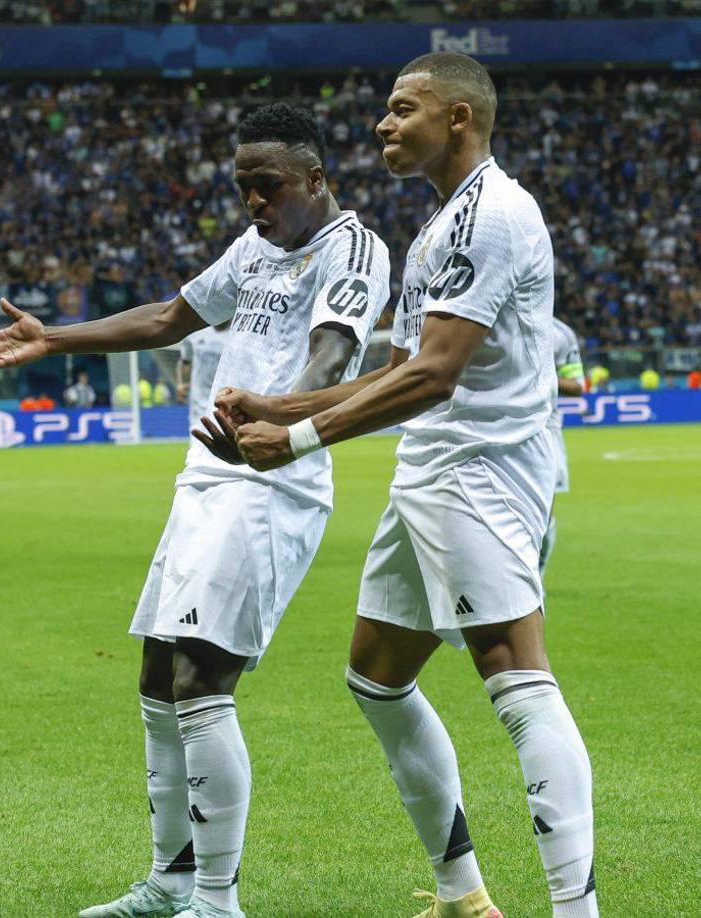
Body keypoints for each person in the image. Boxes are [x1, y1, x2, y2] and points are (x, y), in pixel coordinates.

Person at [0, 103, 390, 918]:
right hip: (206, 473)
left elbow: (334, 351)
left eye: (267, 187)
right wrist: (54, 339)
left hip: (270, 480)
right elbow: (168, 317)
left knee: (201, 680)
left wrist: (275, 418)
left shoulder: (356, 250)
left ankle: (218, 902)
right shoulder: (252, 249)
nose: (254, 203)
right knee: (159, 678)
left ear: (315, 178)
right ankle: (172, 880)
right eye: (242, 188)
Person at [217, 54, 598, 918]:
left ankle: (579, 911)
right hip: (430, 472)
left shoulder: (492, 215)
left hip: (480, 474)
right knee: (376, 676)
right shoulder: (437, 228)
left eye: (402, 109)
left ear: (458, 117)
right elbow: (394, 374)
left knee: (515, 676)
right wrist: (281, 402)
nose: (383, 125)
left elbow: (435, 376)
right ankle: (464, 896)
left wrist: (300, 436)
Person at [540, 316, 586, 577]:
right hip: (495, 426)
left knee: (544, 514)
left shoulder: (560, 334)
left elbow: (577, 386)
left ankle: (538, 577)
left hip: (545, 428)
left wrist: (537, 374)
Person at [177, 322, 229, 431]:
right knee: (197, 444)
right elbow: (185, 360)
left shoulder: (237, 335)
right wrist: (181, 383)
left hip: (226, 404)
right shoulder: (195, 332)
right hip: (198, 403)